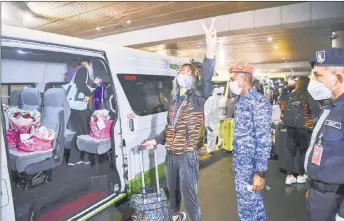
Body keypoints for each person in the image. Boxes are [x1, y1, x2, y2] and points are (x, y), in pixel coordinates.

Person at [142, 20, 217, 221]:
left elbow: (207, 79)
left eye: (189, 73)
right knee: (172, 196)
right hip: (170, 155)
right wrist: (155, 141)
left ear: (193, 79)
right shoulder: (174, 101)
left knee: (189, 197)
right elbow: (169, 128)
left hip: (186, 156)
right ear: (177, 77)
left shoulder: (197, 98)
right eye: (182, 72)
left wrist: (210, 48)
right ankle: (175, 217)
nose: (185, 75)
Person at [304, 48, 344, 221]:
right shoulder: (330, 107)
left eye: (317, 75)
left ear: (339, 78)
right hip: (318, 192)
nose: (312, 81)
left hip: (334, 198)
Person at [229, 62, 272, 221]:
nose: (231, 83)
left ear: (244, 80)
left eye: (233, 79)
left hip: (251, 167)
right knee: (251, 206)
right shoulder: (242, 100)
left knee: (249, 208)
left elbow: (264, 139)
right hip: (241, 165)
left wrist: (260, 172)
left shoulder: (258, 102)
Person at [281, 76, 321, 185]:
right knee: (303, 151)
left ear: (298, 84)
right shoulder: (308, 96)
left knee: (291, 152)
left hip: (290, 127)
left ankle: (289, 177)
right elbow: (317, 111)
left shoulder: (290, 95)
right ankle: (300, 175)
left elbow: (283, 108)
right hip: (304, 128)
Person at [68, 58, 102, 166]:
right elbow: (81, 85)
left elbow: (81, 84)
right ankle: (86, 158)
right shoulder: (83, 70)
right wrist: (90, 92)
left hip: (73, 106)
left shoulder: (73, 70)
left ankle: (73, 159)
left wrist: (93, 82)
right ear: (87, 63)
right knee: (86, 132)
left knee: (78, 132)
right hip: (82, 106)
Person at [204, 87, 222, 154]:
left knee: (215, 135)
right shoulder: (211, 100)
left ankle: (213, 148)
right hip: (210, 122)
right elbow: (207, 113)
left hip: (215, 121)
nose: (220, 95)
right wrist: (207, 124)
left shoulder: (217, 101)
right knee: (211, 136)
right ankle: (209, 150)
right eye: (219, 94)